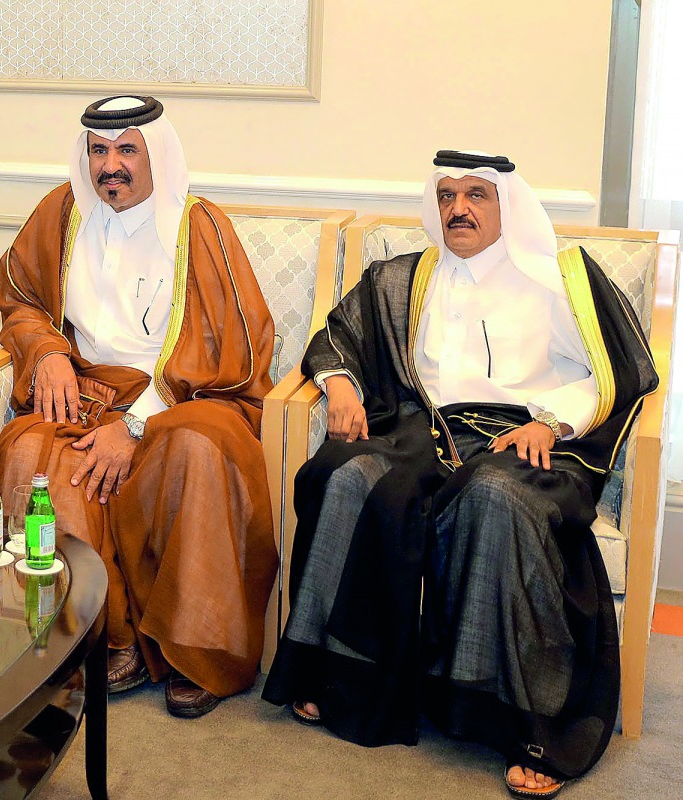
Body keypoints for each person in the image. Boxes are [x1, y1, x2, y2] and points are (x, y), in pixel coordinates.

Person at [262, 151, 658, 798]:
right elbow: (337, 339)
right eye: (447, 195)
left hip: (526, 437)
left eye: (476, 195)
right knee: (344, 474)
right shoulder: (405, 277)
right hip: (427, 428)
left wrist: (552, 423)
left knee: (496, 497)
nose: (459, 208)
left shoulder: (563, 278)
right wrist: (340, 388)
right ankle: (340, 678)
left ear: (508, 204)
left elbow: (622, 370)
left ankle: (522, 721)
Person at [0, 95, 278, 718]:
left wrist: (135, 421)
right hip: (85, 392)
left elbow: (232, 351)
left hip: (190, 397)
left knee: (198, 450)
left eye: (127, 150)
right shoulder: (63, 212)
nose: (110, 167)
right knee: (31, 449)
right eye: (99, 151)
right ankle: (102, 636)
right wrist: (46, 352)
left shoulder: (198, 227)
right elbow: (19, 296)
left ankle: (193, 648)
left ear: (156, 156)